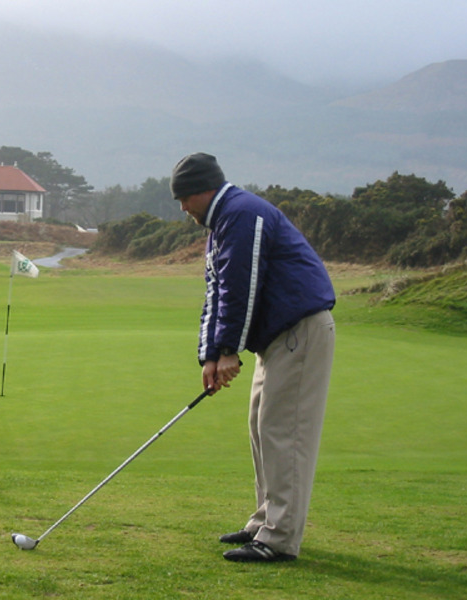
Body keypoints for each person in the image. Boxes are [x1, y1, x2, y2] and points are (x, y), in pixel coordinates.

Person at [170, 152, 336, 563]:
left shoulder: (242, 214)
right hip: (275, 339)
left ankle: (279, 539)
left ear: (202, 191)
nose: (183, 208)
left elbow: (243, 287)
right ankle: (265, 520)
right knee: (261, 426)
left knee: (284, 432)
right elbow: (218, 293)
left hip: (299, 330)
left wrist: (229, 351)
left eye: (184, 198)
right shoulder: (222, 223)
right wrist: (209, 356)